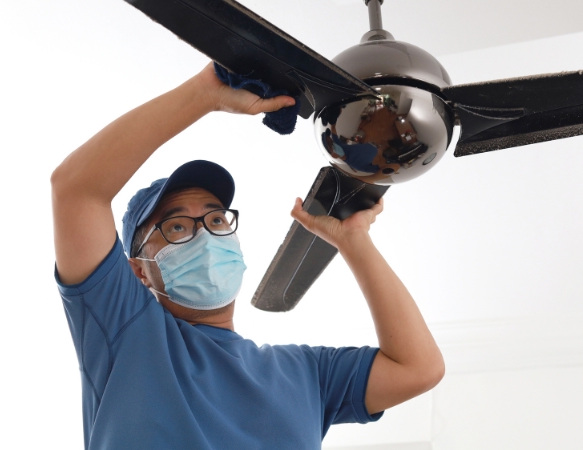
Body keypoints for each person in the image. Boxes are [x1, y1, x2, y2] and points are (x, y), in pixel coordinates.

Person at [51, 63, 445, 449]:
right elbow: (76, 189)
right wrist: (203, 94)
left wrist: (354, 241)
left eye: (217, 218)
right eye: (176, 227)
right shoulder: (127, 334)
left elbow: (417, 369)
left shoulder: (306, 375)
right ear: (138, 270)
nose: (204, 234)